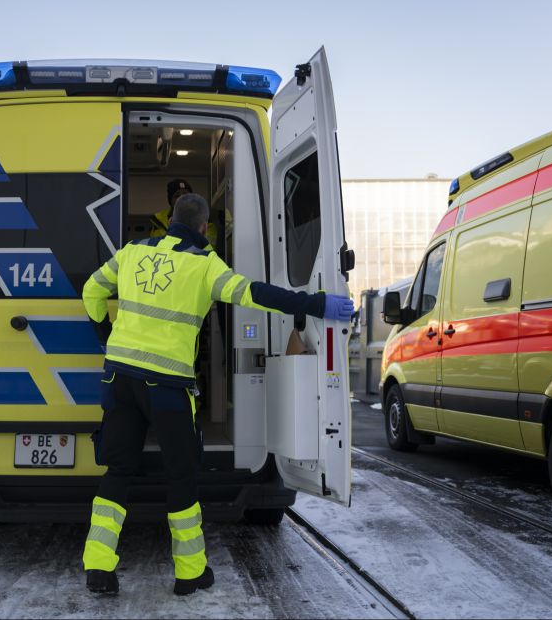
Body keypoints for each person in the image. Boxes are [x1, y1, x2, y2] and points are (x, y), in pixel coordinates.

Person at [81, 193, 353, 596]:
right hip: (168, 387)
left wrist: (109, 338)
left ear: (170, 218)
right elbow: (259, 294)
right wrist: (316, 303)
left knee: (118, 471)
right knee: (181, 475)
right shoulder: (206, 266)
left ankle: (98, 569)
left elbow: (91, 291)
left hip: (119, 380)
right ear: (205, 227)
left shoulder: (131, 252)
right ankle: (190, 572)